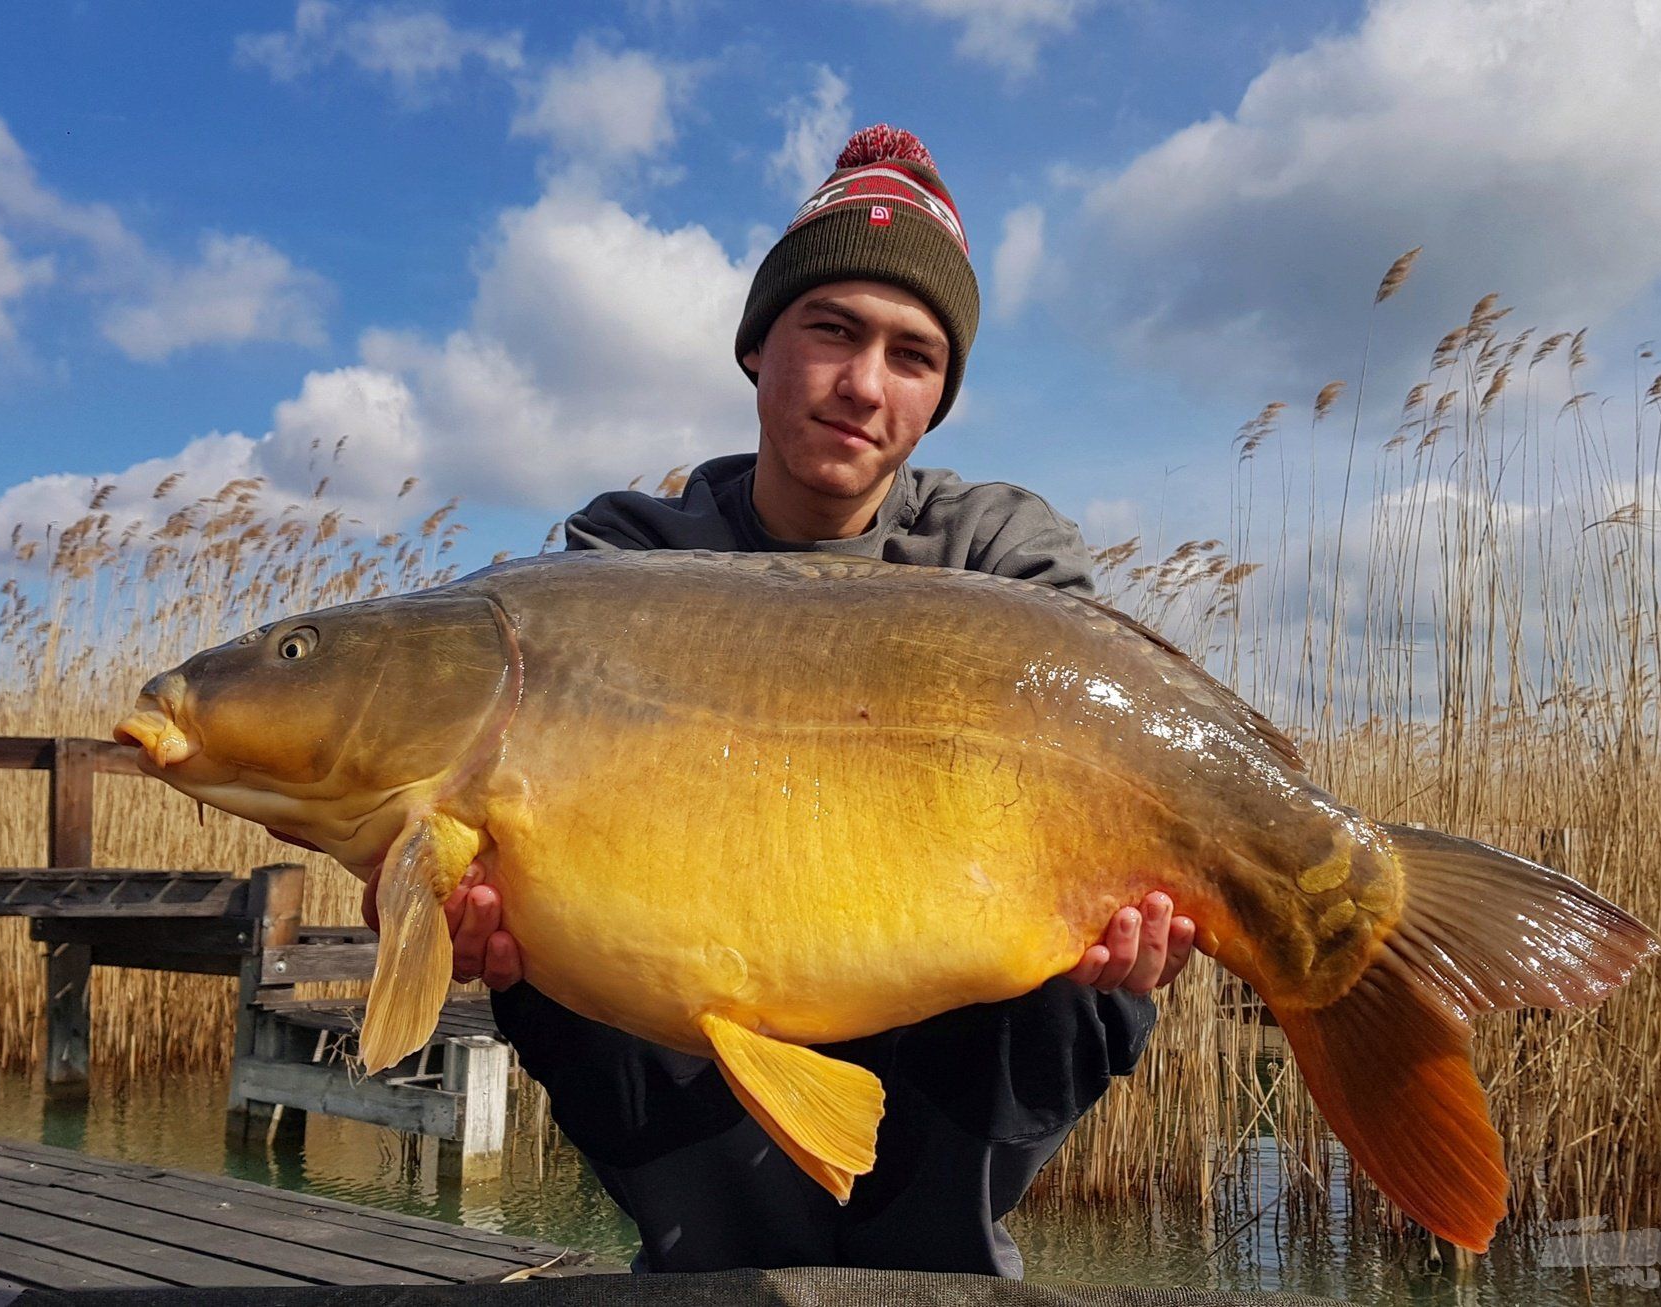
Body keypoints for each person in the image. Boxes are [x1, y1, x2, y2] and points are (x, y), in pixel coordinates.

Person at [364, 124, 1196, 1277]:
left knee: (1083, 975)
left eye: (913, 355)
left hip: (946, 988)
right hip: (693, 988)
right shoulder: (619, 559)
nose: (865, 384)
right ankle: (713, 1263)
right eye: (833, 330)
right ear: (759, 348)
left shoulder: (1003, 555)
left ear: (941, 394)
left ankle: (935, 1275)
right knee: (551, 932)